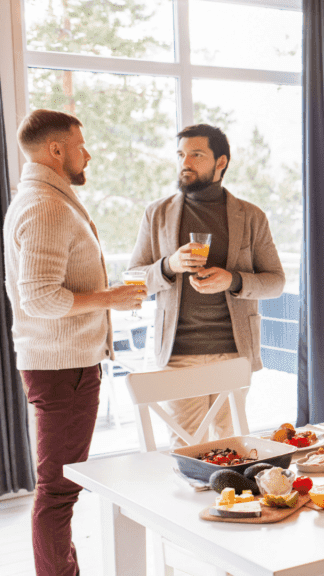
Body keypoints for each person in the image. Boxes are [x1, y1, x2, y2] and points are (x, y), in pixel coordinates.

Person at [3, 109, 146, 576]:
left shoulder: (44, 198)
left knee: (60, 486)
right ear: (56, 149)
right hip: (62, 368)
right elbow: (40, 298)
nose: (89, 153)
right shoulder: (45, 205)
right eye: (81, 145)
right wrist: (113, 298)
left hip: (64, 365)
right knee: (59, 489)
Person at [128, 124, 284, 445]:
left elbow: (276, 282)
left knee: (232, 447)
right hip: (179, 354)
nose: (186, 161)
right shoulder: (156, 214)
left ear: (221, 162)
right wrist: (169, 265)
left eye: (197, 154)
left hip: (233, 352)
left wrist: (234, 280)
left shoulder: (251, 216)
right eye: (181, 154)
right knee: (186, 449)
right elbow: (133, 278)